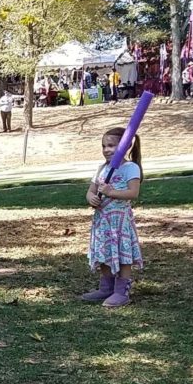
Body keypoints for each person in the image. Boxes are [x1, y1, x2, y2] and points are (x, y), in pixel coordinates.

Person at [80, 127, 143, 307]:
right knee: (104, 252)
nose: (106, 150)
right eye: (104, 146)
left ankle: (121, 291)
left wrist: (111, 191)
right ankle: (106, 287)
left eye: (111, 146)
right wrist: (91, 199)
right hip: (103, 221)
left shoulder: (130, 168)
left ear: (126, 146)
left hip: (120, 222)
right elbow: (91, 191)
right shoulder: (102, 168)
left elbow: (133, 193)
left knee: (123, 255)